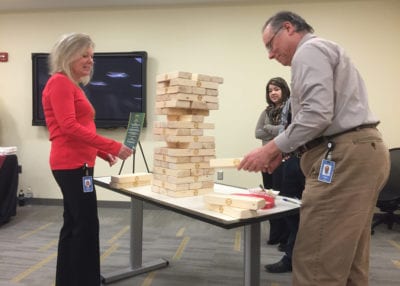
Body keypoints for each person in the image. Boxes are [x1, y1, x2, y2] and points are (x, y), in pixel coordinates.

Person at [238, 11, 390, 285]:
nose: (270, 55)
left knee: (316, 260)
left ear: (288, 28)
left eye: (271, 44)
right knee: (349, 258)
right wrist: (284, 151)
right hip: (360, 153)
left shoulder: (308, 51)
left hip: (343, 156)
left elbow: (316, 115)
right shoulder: (325, 50)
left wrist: (271, 149)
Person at [42, 33, 133, 286]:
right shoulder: (59, 83)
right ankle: (83, 279)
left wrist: (103, 152)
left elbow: (80, 128)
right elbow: (69, 127)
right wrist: (113, 144)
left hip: (78, 164)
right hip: (71, 165)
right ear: (67, 55)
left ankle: (73, 278)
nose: (90, 60)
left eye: (91, 56)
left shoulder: (70, 85)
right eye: (84, 55)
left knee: (75, 223)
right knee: (85, 225)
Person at [264, 96, 305, 273]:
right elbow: (285, 128)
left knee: (308, 213)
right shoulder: (290, 102)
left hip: (313, 160)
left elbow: (311, 123)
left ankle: (292, 257)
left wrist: (268, 151)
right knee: (287, 205)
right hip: (291, 158)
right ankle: (291, 252)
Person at [255, 77, 290, 248]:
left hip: (284, 159)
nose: (273, 93)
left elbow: (288, 131)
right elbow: (257, 133)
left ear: (284, 90)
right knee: (270, 197)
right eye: (270, 91)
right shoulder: (266, 112)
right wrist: (275, 132)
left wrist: (269, 128)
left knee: (284, 198)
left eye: (276, 89)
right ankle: (275, 234)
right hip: (267, 160)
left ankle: (286, 236)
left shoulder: (290, 109)